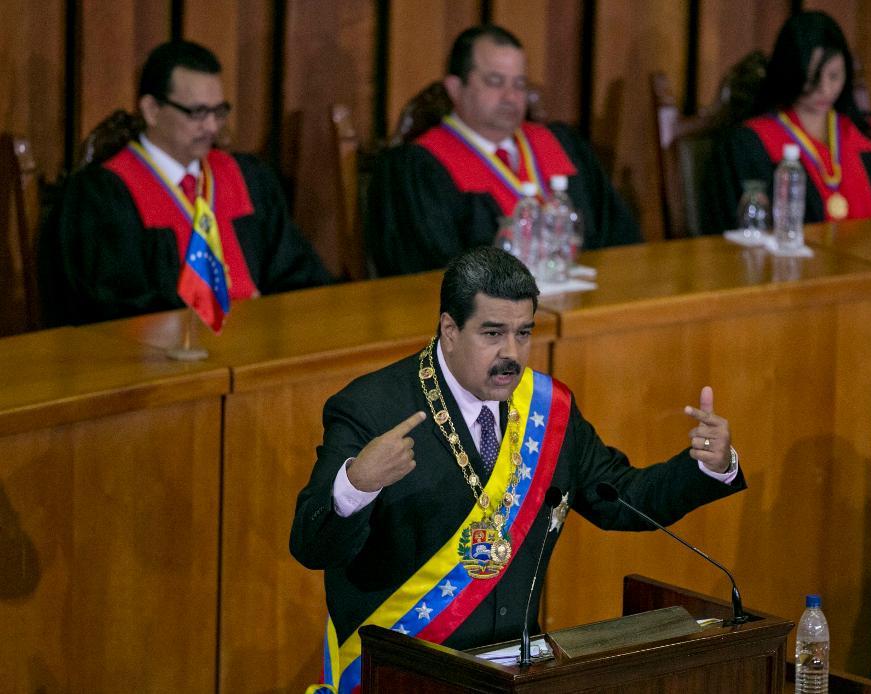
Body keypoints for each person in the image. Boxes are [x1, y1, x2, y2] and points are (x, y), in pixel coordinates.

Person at [290, 246, 744, 693]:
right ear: (449, 329)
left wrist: (708, 467)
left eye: (523, 333)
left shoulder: (548, 410)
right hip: (404, 676)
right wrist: (356, 484)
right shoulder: (370, 408)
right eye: (492, 334)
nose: (512, 353)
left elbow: (622, 499)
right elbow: (311, 546)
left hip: (514, 677)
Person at [38, 40, 331, 326]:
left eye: (219, 111)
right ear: (152, 110)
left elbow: (299, 274)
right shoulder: (102, 196)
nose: (212, 127)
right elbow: (110, 307)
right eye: (198, 113)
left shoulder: (247, 177)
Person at [367, 25, 641, 277]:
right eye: (495, 82)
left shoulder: (564, 144)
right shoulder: (417, 168)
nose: (511, 97)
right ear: (455, 88)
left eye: (519, 84)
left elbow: (621, 243)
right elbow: (426, 277)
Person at [707, 11, 871, 233]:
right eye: (812, 78)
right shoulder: (750, 145)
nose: (825, 89)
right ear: (790, 74)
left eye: (834, 76)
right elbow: (743, 230)